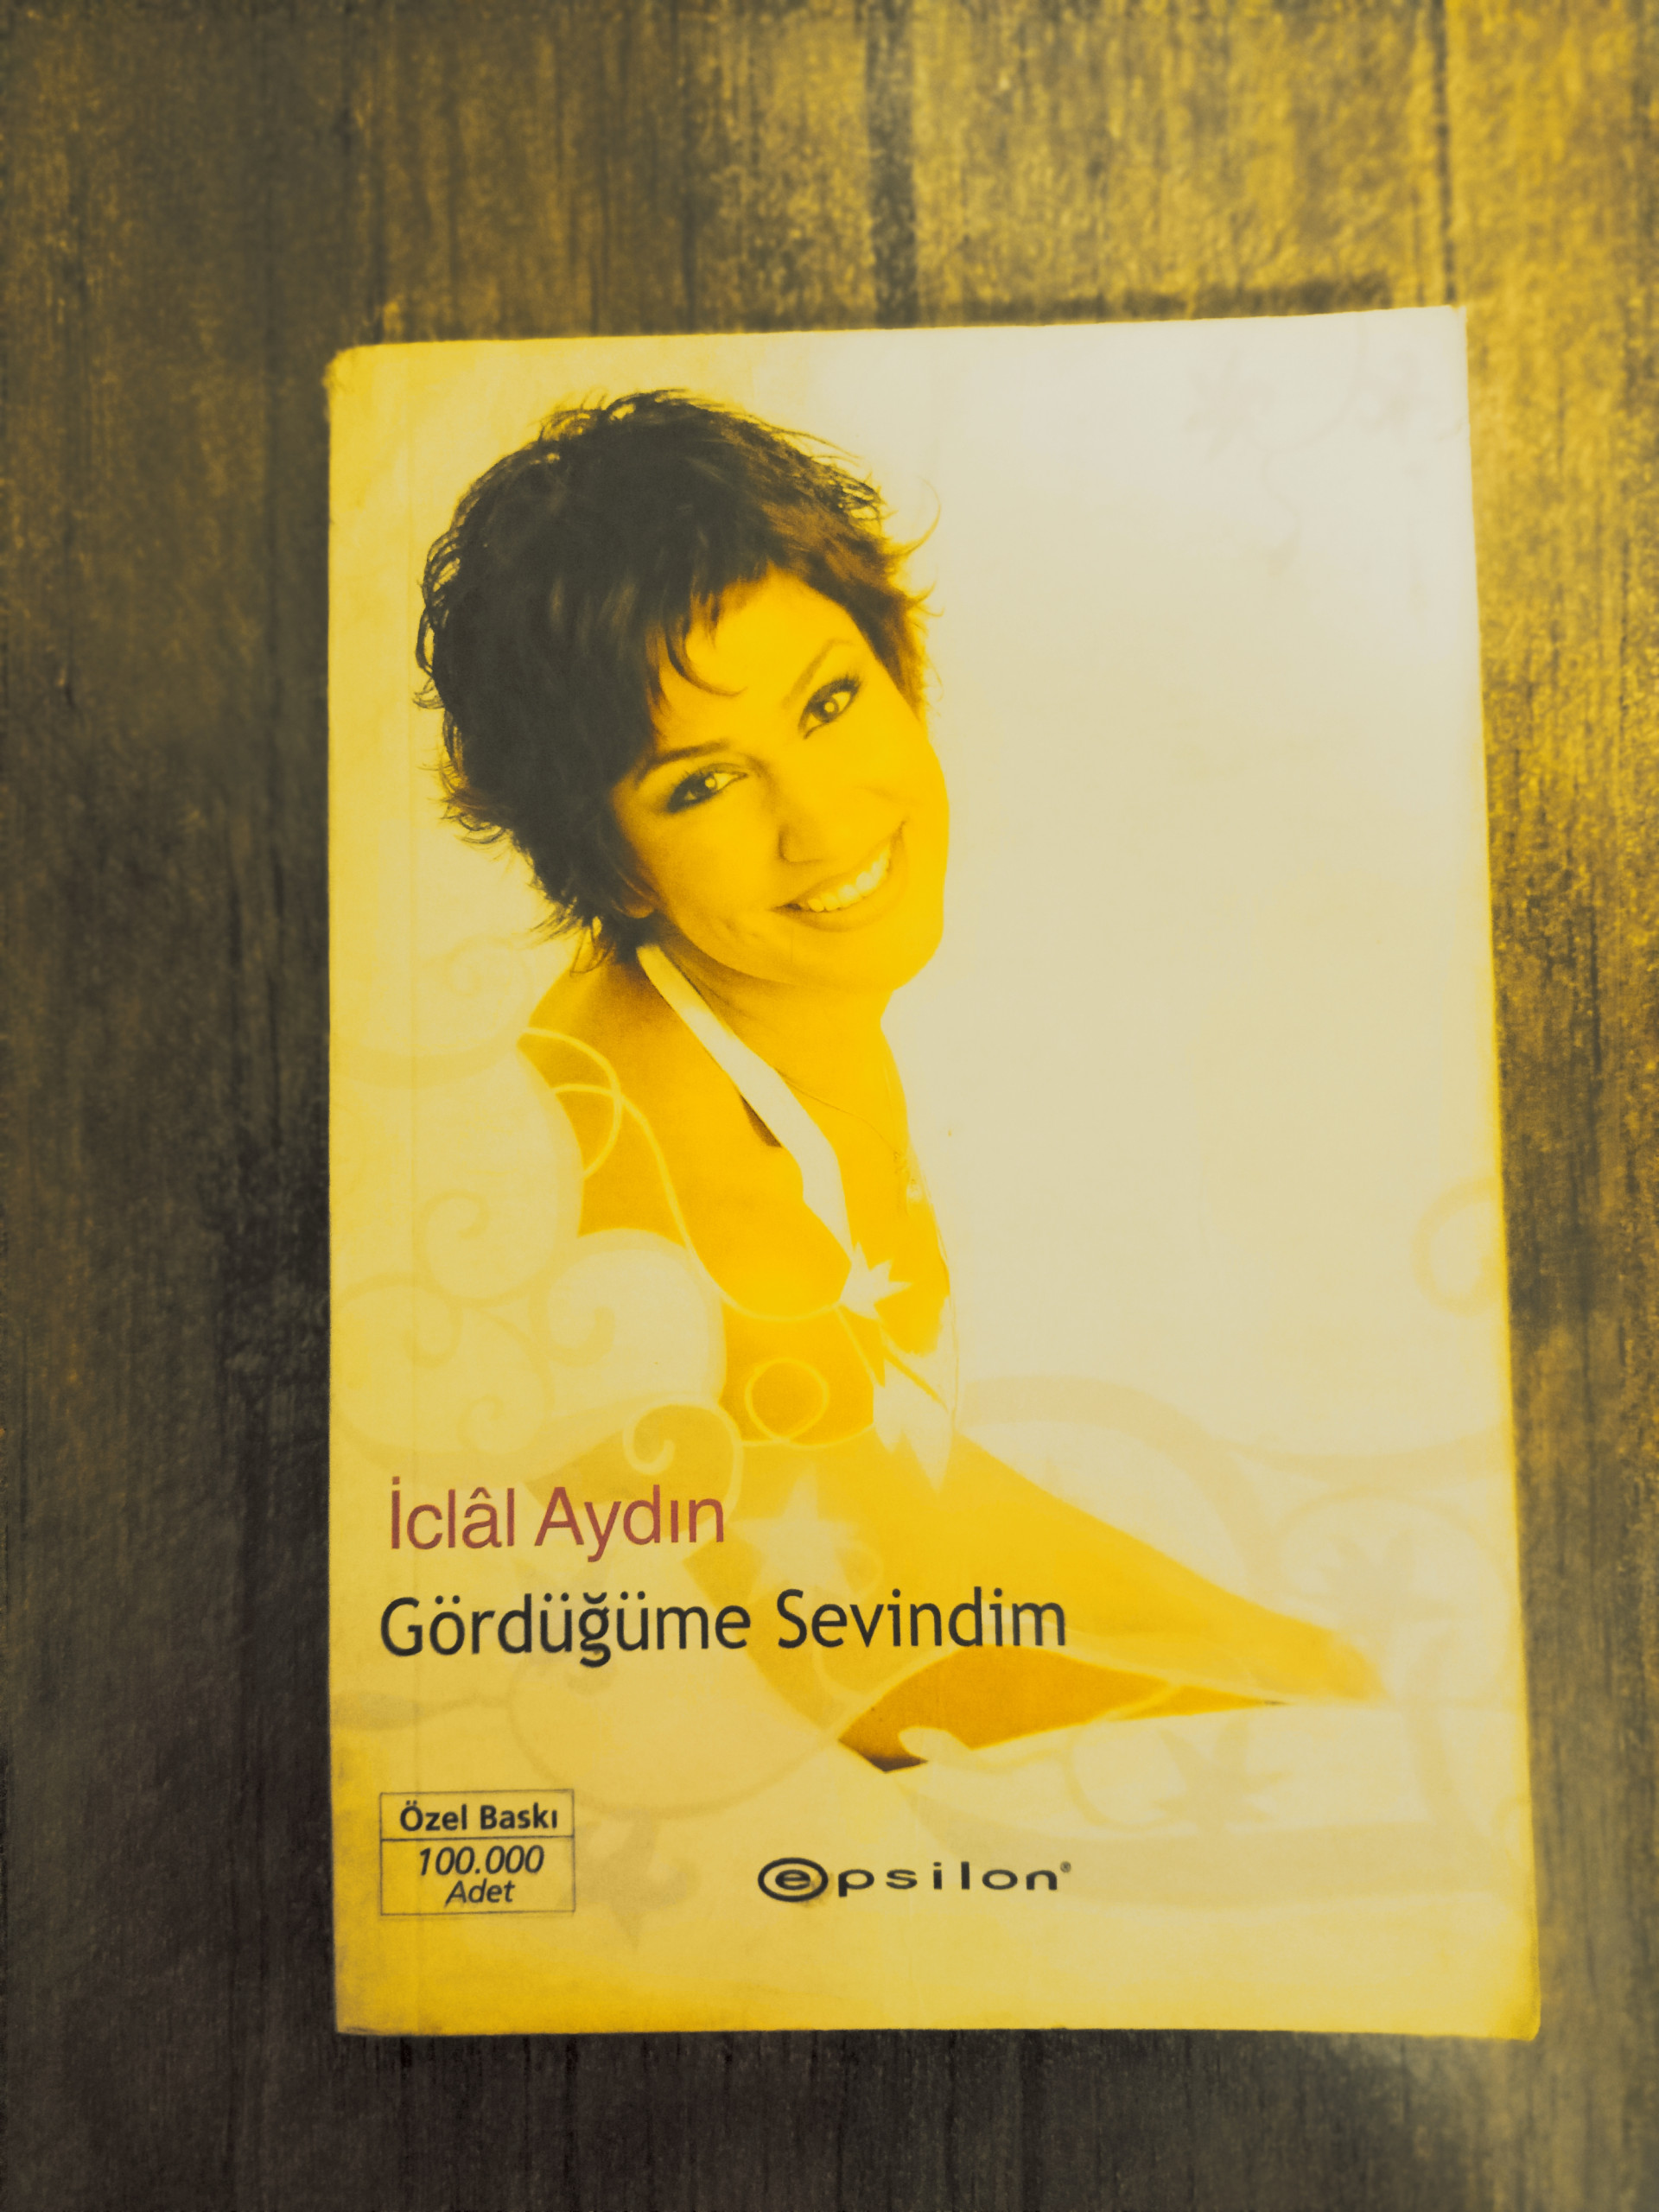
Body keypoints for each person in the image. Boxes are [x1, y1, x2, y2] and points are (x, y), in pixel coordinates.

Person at [417, 391, 1377, 1777]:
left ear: (897, 662)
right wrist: (1325, 1717)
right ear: (606, 860)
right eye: (702, 785)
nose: (822, 821)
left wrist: (1296, 1656)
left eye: (828, 702)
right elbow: (877, 1678)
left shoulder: (763, 991)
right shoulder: (674, 1180)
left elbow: (912, 1487)